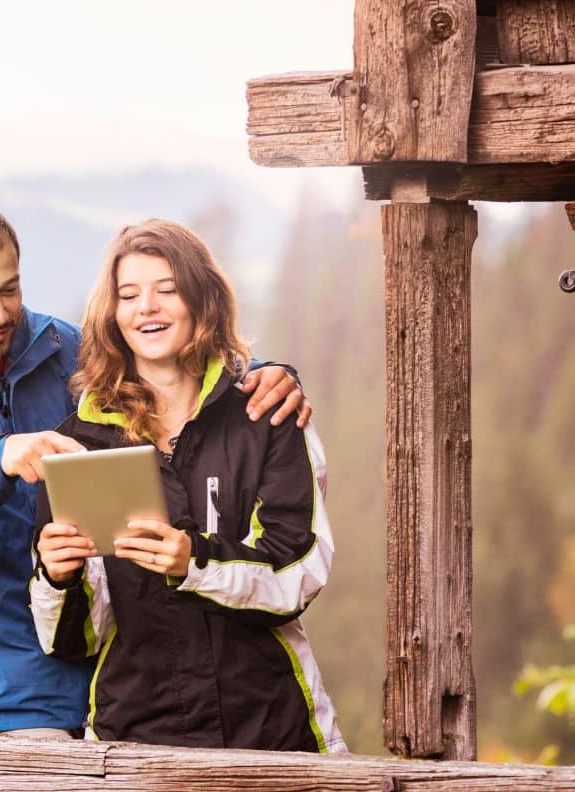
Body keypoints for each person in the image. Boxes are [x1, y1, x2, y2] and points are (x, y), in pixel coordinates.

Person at [0, 198, 311, 737]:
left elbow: (170, 361)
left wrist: (266, 375)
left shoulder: (62, 350)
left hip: (127, 678)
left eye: (9, 289)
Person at [30, 219, 346, 752]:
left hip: (272, 731)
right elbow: (75, 639)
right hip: (136, 739)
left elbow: (298, 573)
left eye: (167, 290)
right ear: (112, 316)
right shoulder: (77, 443)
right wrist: (58, 579)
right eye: (128, 295)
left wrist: (192, 562)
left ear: (203, 300)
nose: (145, 307)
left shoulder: (267, 414)